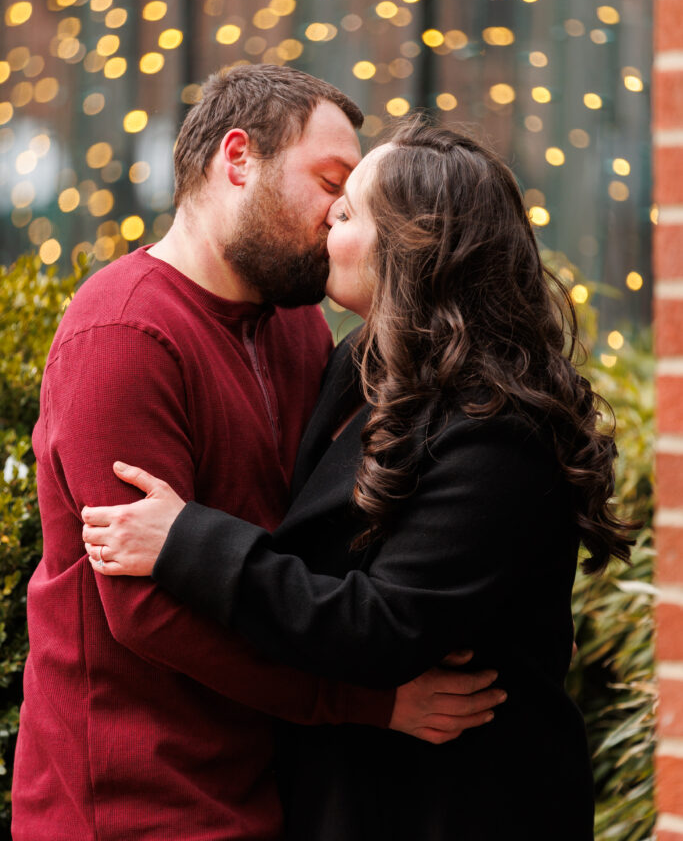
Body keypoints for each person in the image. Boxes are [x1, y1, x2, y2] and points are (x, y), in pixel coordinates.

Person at [83, 119, 634, 841]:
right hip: (351, 787)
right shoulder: (356, 364)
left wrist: (188, 540)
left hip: (457, 799)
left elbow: (383, 625)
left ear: (412, 249)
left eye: (344, 213)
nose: (322, 229)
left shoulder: (498, 429)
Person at [12, 69, 502, 841]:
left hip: (269, 786)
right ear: (237, 159)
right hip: (137, 804)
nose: (338, 216)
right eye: (329, 185)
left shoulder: (298, 328)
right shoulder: (123, 334)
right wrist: (368, 701)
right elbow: (143, 612)